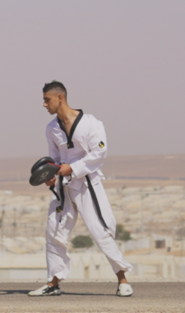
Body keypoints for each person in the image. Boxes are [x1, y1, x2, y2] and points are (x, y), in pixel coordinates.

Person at [28, 81, 134, 297]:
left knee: (101, 231)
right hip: (63, 187)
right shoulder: (51, 129)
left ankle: (122, 279)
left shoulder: (91, 123)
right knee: (54, 232)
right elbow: (54, 159)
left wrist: (73, 168)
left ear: (60, 98)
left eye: (47, 99)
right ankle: (53, 283)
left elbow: (99, 154)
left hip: (87, 185)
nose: (44, 104)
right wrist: (50, 176)